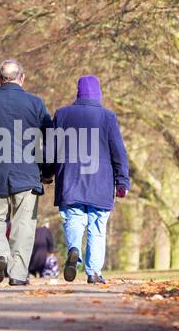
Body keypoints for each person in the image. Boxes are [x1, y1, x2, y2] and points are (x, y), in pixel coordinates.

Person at [0, 59, 53, 285]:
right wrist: (47, 169)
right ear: (22, 78)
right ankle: (17, 274)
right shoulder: (36, 104)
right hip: (27, 174)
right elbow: (52, 138)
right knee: (23, 224)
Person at [50, 75, 129, 284]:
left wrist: (47, 173)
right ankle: (93, 272)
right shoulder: (108, 117)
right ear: (98, 93)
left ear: (78, 92)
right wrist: (122, 181)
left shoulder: (62, 114)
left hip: (70, 179)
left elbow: (51, 148)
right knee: (97, 226)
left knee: (73, 218)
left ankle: (74, 250)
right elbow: (118, 152)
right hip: (100, 182)